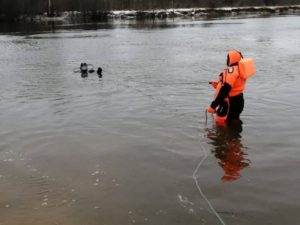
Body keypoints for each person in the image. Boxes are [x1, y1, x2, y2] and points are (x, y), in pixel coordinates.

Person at [207, 50, 249, 124]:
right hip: (239, 100)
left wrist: (213, 106)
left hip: (229, 104)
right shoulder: (240, 69)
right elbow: (235, 86)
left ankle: (230, 135)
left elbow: (225, 89)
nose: (227, 60)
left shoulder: (231, 71)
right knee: (234, 122)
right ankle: (236, 134)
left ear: (231, 59)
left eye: (228, 58)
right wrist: (218, 85)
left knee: (222, 124)